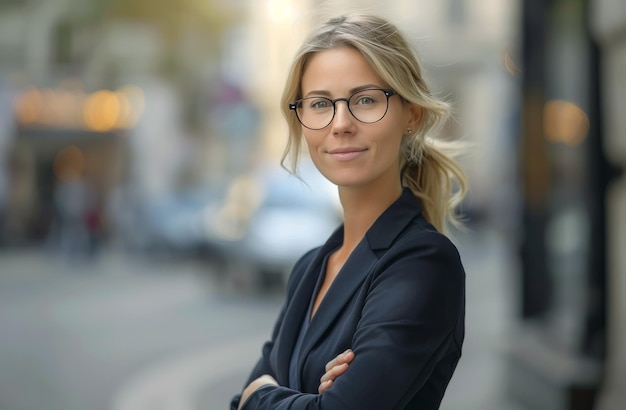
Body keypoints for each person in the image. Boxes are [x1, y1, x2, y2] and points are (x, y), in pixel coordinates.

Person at [230, 13, 469, 410]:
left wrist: (263, 397)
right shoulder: (310, 267)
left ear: (411, 115)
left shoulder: (423, 263)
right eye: (321, 103)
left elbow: (255, 397)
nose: (341, 123)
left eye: (365, 100)